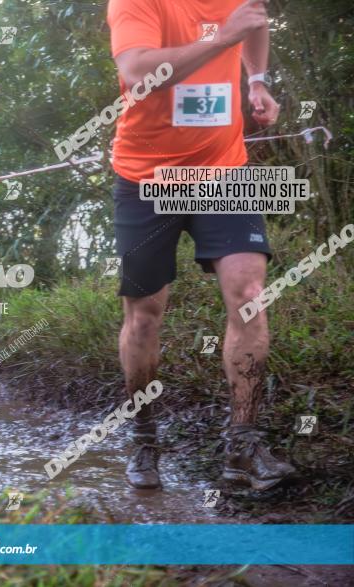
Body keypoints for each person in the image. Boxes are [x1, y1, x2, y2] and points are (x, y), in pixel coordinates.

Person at [107, 0, 295, 490]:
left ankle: (244, 444)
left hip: (222, 173)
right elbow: (136, 69)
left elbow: (254, 23)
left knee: (250, 296)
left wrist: (257, 80)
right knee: (144, 314)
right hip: (145, 177)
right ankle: (145, 438)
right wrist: (221, 39)